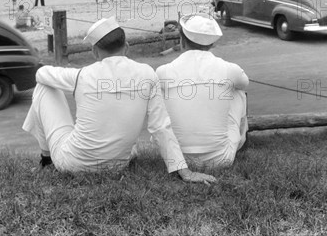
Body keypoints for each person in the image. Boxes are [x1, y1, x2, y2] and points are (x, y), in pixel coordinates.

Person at [22, 17, 216, 184]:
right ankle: (53, 159)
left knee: (43, 87)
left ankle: (46, 160)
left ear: (95, 52)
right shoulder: (147, 74)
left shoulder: (83, 75)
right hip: (117, 166)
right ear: (127, 47)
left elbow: (40, 74)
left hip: (72, 163)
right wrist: (183, 170)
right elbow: (161, 127)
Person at [156, 14, 249, 170]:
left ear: (181, 40)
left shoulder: (163, 71)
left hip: (177, 159)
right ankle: (242, 137)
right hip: (221, 159)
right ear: (211, 44)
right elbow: (244, 83)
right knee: (238, 92)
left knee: (164, 93)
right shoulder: (229, 69)